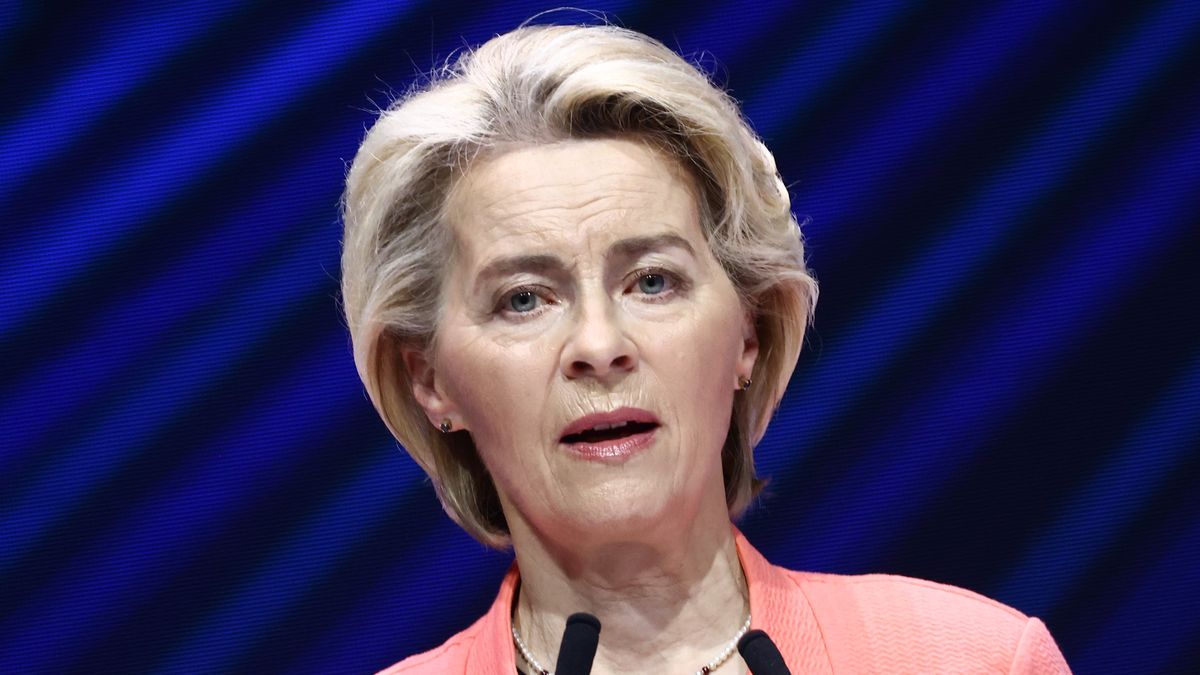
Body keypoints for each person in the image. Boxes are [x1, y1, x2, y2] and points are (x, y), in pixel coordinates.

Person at [340, 22, 1071, 675]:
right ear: (429, 379)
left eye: (652, 281)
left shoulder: (979, 660)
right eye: (524, 298)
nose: (599, 345)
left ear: (749, 331)